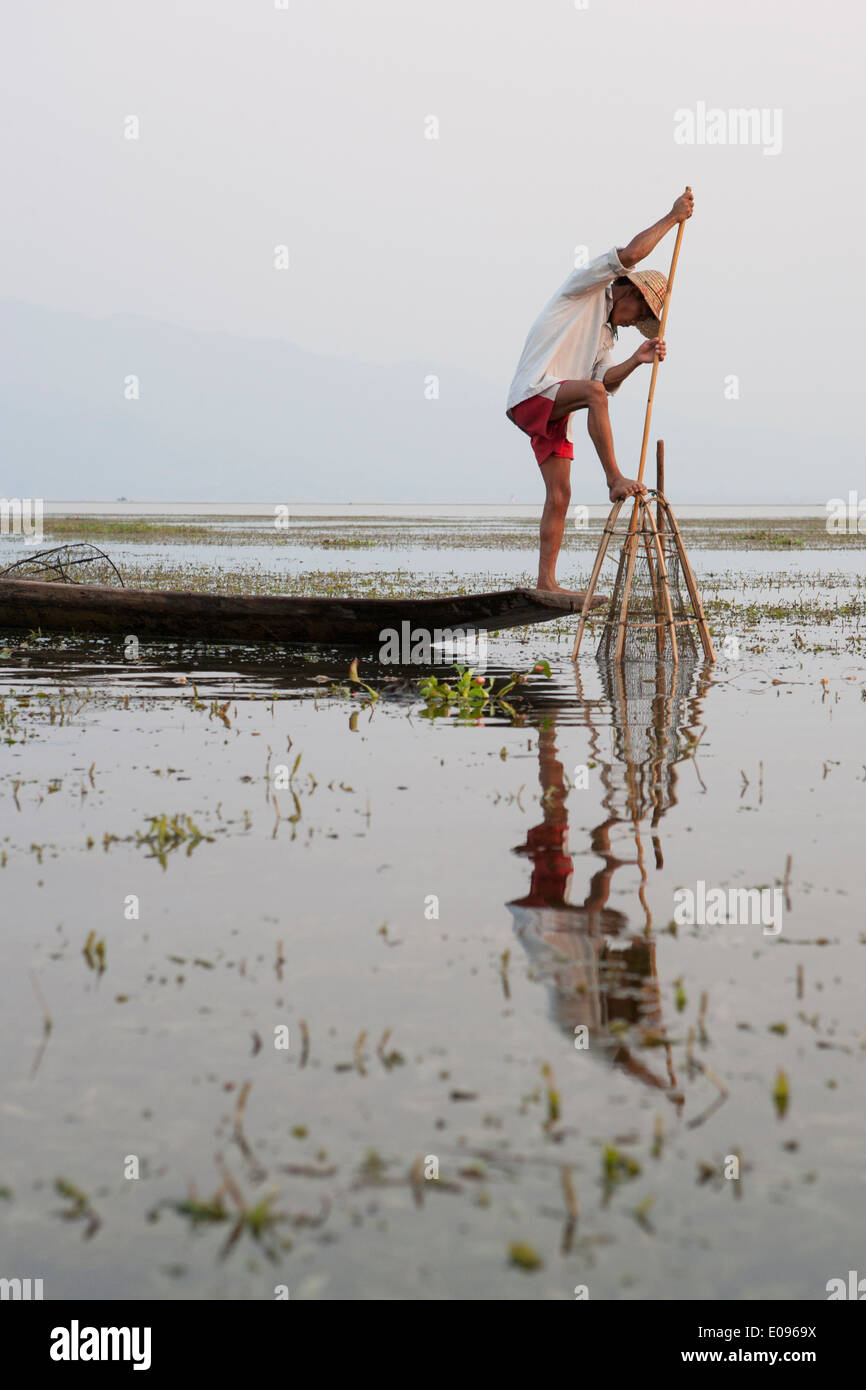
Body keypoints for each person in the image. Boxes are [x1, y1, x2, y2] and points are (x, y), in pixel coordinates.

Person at [506, 189, 694, 592]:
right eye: (640, 314)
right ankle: (613, 478)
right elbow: (630, 255)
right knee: (590, 393)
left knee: (560, 494)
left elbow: (606, 382)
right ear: (630, 293)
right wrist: (672, 216)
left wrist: (638, 360)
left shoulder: (607, 336)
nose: (633, 323)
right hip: (533, 393)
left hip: (557, 408)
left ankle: (546, 582)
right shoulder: (588, 286)